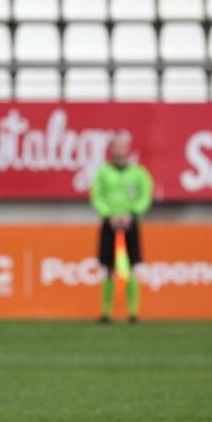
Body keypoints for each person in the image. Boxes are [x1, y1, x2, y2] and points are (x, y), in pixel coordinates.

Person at [89, 133, 154, 323]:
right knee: (108, 267)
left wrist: (132, 213)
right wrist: (109, 214)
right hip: (109, 223)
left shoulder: (138, 173)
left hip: (130, 223)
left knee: (132, 267)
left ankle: (133, 313)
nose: (119, 150)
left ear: (127, 148)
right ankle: (106, 313)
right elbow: (96, 195)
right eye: (115, 147)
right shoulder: (103, 173)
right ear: (111, 150)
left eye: (122, 146)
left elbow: (145, 195)